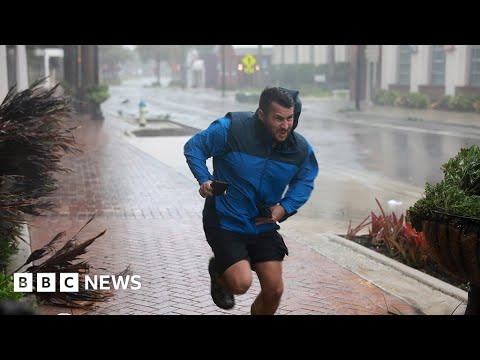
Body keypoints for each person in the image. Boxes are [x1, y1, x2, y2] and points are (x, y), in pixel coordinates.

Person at [184, 87, 318, 315]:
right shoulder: (231, 129)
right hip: (226, 220)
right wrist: (204, 180)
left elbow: (305, 178)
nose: (285, 126)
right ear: (261, 115)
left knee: (274, 290)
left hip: (262, 223)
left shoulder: (299, 149)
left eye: (290, 118)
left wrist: (285, 207)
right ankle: (219, 272)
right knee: (241, 283)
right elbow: (194, 147)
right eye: (278, 119)